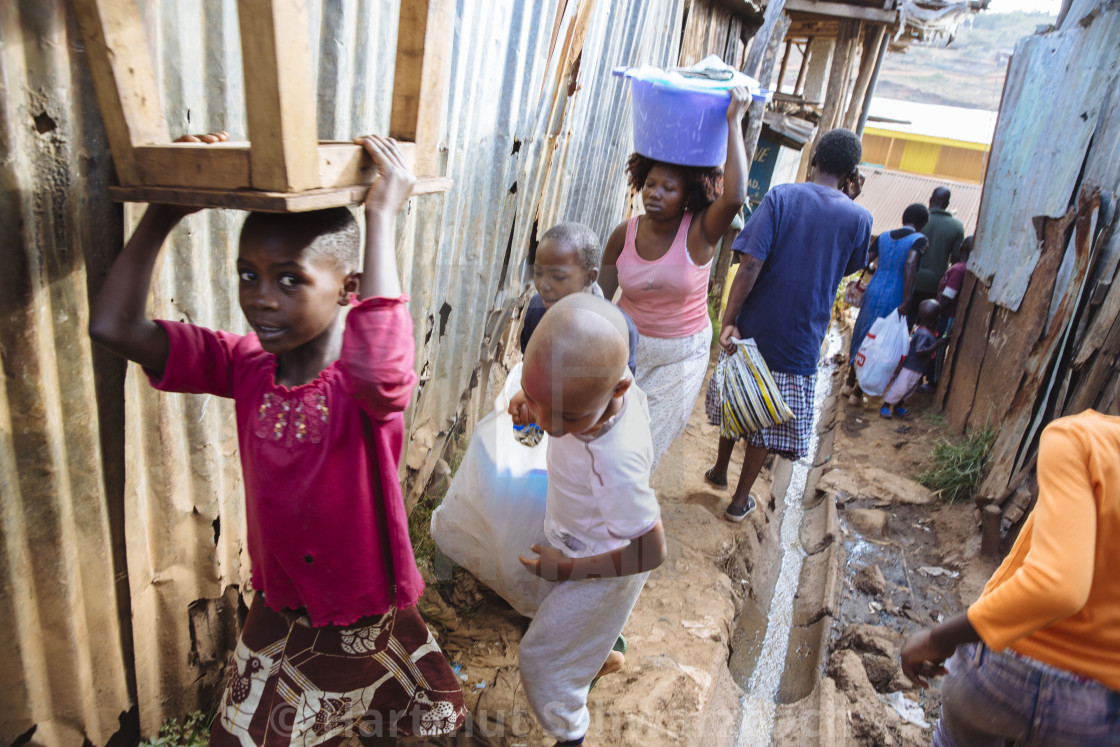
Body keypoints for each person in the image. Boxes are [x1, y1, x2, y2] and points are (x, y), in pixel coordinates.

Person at [88, 136, 466, 744]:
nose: (261, 297)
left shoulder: (362, 385)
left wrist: (381, 217)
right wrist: (166, 208)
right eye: (248, 275)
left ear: (350, 287)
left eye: (290, 279)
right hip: (283, 600)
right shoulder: (245, 365)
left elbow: (383, 373)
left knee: (375, 717)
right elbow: (114, 325)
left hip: (360, 606)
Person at [900, 375, 1120, 746]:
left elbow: (1058, 586)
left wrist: (938, 637)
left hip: (1005, 673)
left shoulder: (1085, 438)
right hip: (1099, 711)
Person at [508, 294, 668, 746]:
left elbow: (651, 552)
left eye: (568, 415)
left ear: (618, 388)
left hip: (605, 566)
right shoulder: (594, 381)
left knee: (539, 659)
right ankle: (604, 650)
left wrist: (569, 570)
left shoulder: (614, 463)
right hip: (581, 536)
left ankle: (570, 733)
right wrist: (532, 397)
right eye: (538, 399)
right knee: (566, 623)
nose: (549, 425)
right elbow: (557, 396)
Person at [704, 128, 872, 521]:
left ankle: (719, 471)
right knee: (768, 411)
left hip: (757, 321)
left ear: (813, 160)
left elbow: (750, 263)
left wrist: (730, 320)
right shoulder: (858, 216)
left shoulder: (782, 196)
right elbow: (849, 267)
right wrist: (850, 201)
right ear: (852, 173)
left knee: (740, 394)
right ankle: (739, 500)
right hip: (802, 336)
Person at [598, 87, 751, 470]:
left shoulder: (699, 232)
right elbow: (598, 299)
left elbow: (734, 197)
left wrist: (734, 121)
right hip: (626, 350)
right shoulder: (624, 234)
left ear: (687, 194)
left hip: (680, 356)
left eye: (669, 188)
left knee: (640, 451)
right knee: (605, 437)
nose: (656, 194)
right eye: (650, 184)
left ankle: (621, 523)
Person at [520, 222, 639, 374]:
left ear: (590, 277)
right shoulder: (538, 310)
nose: (543, 286)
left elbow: (622, 390)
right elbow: (528, 370)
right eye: (538, 273)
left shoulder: (618, 328)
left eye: (558, 277)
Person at [842, 203, 929, 404]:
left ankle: (849, 382)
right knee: (880, 340)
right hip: (896, 293)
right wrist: (908, 299)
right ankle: (858, 392)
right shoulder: (919, 240)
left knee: (863, 331)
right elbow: (910, 263)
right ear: (923, 223)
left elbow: (865, 259)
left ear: (903, 218)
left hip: (874, 289)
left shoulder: (884, 236)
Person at [879, 299, 948, 419]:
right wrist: (937, 345)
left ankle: (898, 406)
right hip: (910, 367)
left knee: (909, 389)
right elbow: (920, 351)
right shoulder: (923, 333)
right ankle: (886, 406)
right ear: (935, 319)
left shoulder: (929, 332)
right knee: (900, 388)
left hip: (918, 368)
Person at [915, 186, 966, 311]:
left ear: (930, 199)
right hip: (935, 284)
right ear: (947, 203)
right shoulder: (957, 227)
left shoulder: (917, 217)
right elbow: (956, 259)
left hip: (911, 279)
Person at [932, 235, 973, 384]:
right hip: (947, 313)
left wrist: (935, 310)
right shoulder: (963, 268)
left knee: (940, 348)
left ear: (960, 248)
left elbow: (949, 295)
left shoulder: (958, 269)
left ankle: (934, 380)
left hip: (947, 314)